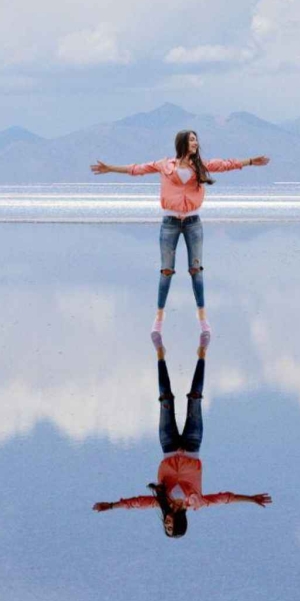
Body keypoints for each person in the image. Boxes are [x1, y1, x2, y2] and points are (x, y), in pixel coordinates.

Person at [90, 129, 269, 341]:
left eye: (196, 140)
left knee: (196, 270)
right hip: (170, 223)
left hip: (193, 222)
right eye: (192, 139)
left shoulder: (200, 166)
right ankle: (159, 318)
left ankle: (202, 317)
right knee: (166, 270)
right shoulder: (165, 165)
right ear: (183, 142)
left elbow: (225, 164)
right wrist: (110, 168)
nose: (196, 143)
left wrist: (249, 161)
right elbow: (136, 169)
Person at [92, 337, 270, 537]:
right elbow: (225, 498)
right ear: (179, 523)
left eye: (165, 527)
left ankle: (160, 355)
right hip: (192, 445)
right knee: (195, 397)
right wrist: (250, 499)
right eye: (170, 527)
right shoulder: (197, 503)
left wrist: (112, 505)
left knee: (165, 397)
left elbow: (137, 503)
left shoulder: (162, 501)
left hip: (168, 446)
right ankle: (202, 355)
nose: (167, 524)